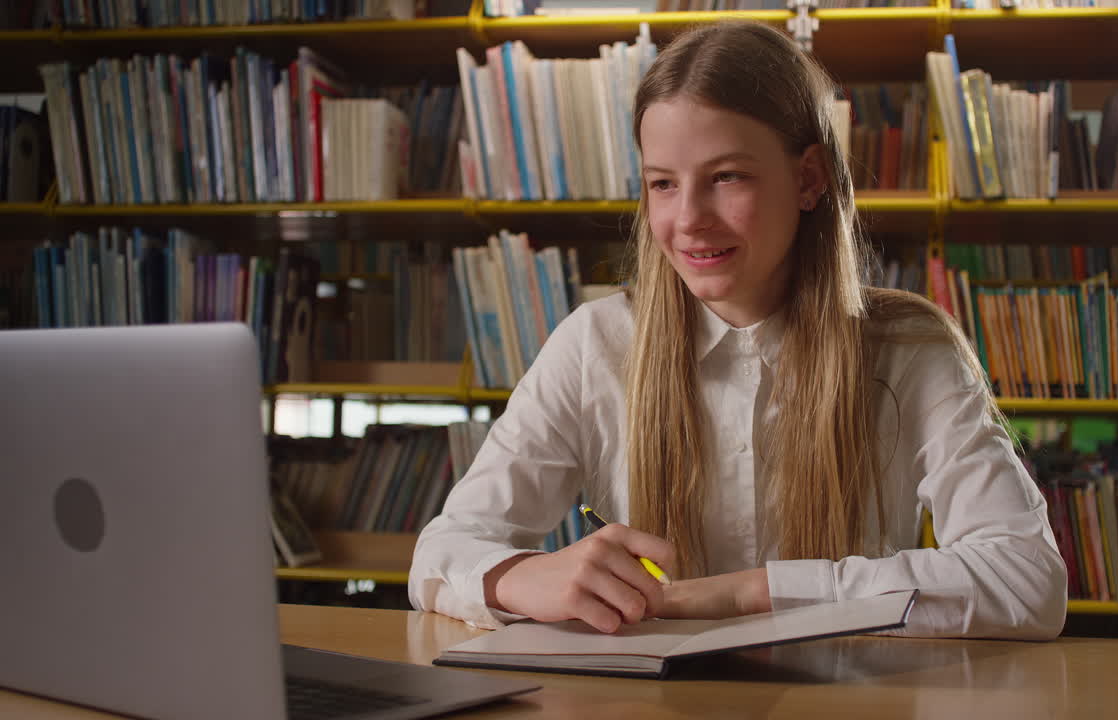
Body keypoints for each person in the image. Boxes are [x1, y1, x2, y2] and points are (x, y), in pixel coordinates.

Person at [409, 19, 1067, 640]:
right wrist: (520, 577)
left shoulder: (909, 351)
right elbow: (442, 553)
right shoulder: (594, 344)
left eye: (726, 177)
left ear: (808, 179)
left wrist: (749, 592)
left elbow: (1026, 578)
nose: (688, 219)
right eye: (663, 184)